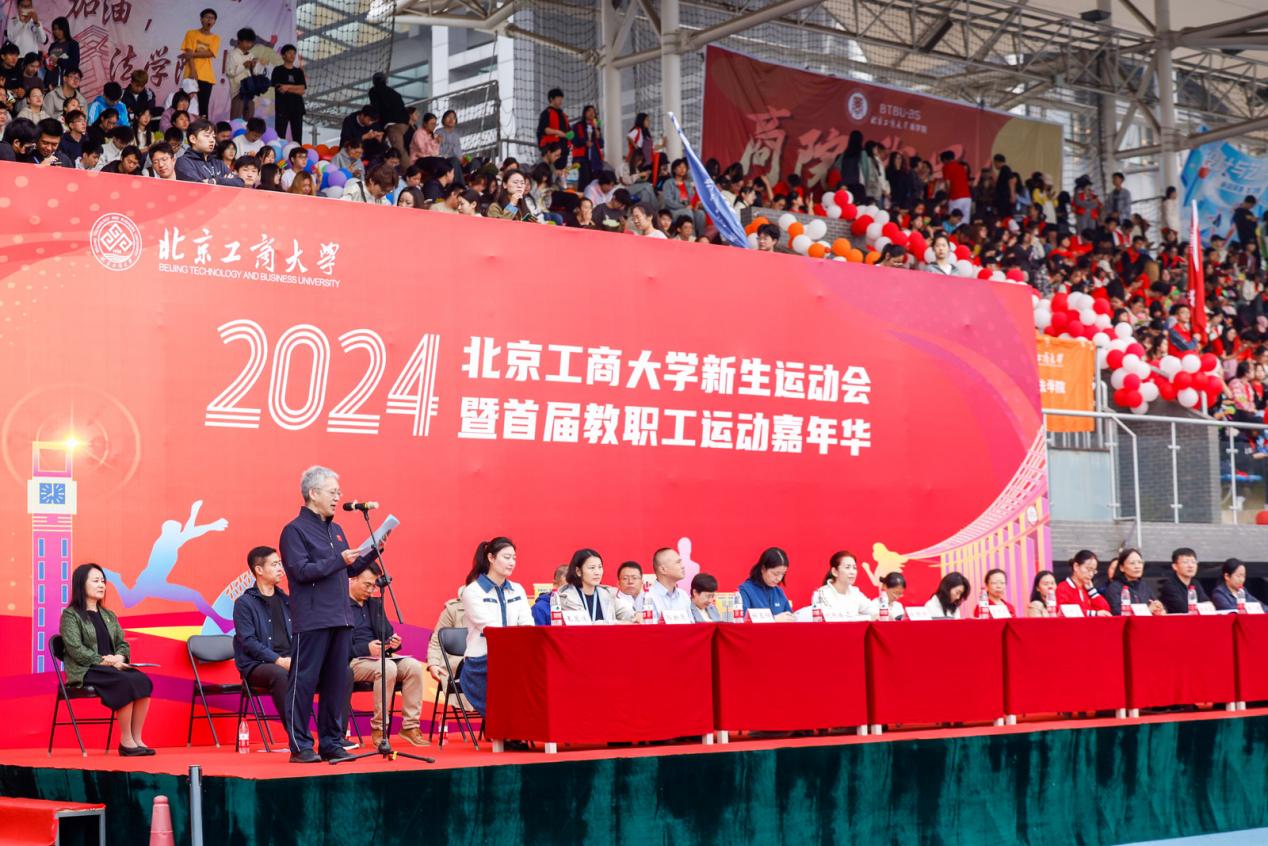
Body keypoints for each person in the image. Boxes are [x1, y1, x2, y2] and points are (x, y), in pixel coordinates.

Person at [277, 465, 377, 764]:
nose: (338, 497)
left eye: (338, 492)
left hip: (341, 617)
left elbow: (349, 569)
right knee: (304, 682)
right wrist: (338, 560)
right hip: (313, 618)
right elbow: (300, 571)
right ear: (313, 493)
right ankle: (300, 745)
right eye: (333, 492)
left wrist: (374, 550)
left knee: (337, 682)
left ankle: (331, 742)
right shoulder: (294, 531)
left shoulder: (336, 530)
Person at [59, 563, 154, 756]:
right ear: (81, 584)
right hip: (87, 669)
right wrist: (105, 660)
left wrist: (119, 656)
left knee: (142, 680)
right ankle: (126, 741)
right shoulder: (70, 615)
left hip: (111, 667)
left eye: (103, 581)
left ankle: (137, 739)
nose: (101, 585)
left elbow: (122, 643)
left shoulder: (109, 615)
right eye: (96, 581)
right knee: (125, 681)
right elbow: (76, 650)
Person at [347, 568, 429, 748]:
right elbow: (334, 646)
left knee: (413, 665)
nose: (371, 590)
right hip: (352, 661)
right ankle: (379, 729)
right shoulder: (339, 606)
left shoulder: (374, 605)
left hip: (379, 658)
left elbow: (387, 633)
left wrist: (393, 642)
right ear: (353, 579)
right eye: (367, 585)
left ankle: (410, 726)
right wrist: (366, 648)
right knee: (387, 668)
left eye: (373, 586)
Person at [459, 537, 533, 716]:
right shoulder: (472, 591)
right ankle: (510, 724)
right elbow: (492, 630)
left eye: (514, 558)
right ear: (491, 558)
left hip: (513, 659)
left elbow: (528, 625)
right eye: (506, 557)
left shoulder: (518, 589)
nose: (512, 562)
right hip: (482, 662)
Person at [232, 546, 292, 733]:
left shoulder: (286, 600)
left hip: (289, 659)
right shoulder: (244, 603)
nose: (280, 569)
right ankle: (298, 738)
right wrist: (278, 660)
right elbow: (248, 641)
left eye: (280, 564)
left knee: (336, 670)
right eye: (274, 564)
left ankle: (333, 736)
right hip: (258, 664)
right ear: (259, 570)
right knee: (280, 674)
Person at [557, 548, 635, 623]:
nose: (597, 572)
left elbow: (626, 613)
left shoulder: (608, 594)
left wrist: (636, 616)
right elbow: (584, 625)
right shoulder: (567, 597)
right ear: (578, 571)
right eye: (592, 568)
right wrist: (615, 623)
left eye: (600, 567)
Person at [175, 119, 245, 185]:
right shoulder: (184, 162)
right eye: (207, 136)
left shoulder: (218, 162)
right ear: (193, 139)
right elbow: (198, 186)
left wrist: (215, 181)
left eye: (213, 137)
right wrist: (225, 181)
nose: (212, 140)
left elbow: (239, 182)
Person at [180, 9, 220, 118]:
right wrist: (193, 71)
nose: (209, 20)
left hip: (207, 76)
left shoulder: (215, 38)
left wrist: (193, 54)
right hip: (190, 73)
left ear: (214, 22)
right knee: (183, 104)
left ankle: (203, 127)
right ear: (201, 19)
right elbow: (188, 51)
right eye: (207, 17)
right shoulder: (191, 33)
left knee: (203, 107)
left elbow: (210, 53)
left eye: (212, 18)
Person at [810, 550, 872, 618]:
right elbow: (836, 619)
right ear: (835, 572)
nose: (852, 572)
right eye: (847, 567)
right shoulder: (822, 594)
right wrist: (867, 618)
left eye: (854, 568)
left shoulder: (855, 592)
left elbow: (873, 610)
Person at [737, 547, 794, 620]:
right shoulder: (746, 590)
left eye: (783, 574)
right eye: (775, 574)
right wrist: (774, 619)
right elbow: (742, 620)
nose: (779, 579)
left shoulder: (779, 592)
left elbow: (789, 617)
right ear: (763, 569)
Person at [1105, 548, 1165, 616]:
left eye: (1140, 562)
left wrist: (1159, 608)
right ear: (1122, 568)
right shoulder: (1114, 588)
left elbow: (1154, 603)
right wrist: (1148, 610)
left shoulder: (1144, 586)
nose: (1137, 566)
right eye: (1132, 563)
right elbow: (1118, 612)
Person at [1055, 550, 1111, 616]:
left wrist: (1092, 592)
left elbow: (1105, 610)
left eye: (1093, 571)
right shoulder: (1063, 587)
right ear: (1076, 566)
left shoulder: (1088, 589)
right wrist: (1094, 613)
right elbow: (1066, 611)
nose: (1091, 574)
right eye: (1088, 569)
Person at [1156, 547, 1210, 614]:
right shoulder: (1169, 586)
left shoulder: (1195, 583)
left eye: (1193, 562)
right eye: (1185, 562)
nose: (1190, 566)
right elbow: (1183, 609)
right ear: (1175, 566)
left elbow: (1207, 604)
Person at [271, 44, 306, 142]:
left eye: (294, 53)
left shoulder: (298, 72)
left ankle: (298, 151)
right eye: (289, 53)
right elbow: (280, 88)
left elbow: (302, 90)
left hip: (297, 108)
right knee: (280, 135)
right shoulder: (278, 70)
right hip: (282, 108)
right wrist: (295, 88)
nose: (292, 55)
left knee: (297, 137)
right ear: (283, 55)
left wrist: (287, 87)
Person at [647, 547, 693, 620]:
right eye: (678, 562)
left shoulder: (683, 596)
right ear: (663, 569)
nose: (683, 566)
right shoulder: (647, 596)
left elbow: (691, 625)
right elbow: (648, 626)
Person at [536, 87, 570, 157]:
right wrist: (558, 132)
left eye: (561, 99)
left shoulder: (563, 115)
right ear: (551, 99)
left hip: (564, 149)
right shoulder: (546, 113)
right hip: (551, 148)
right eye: (558, 99)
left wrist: (569, 135)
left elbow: (570, 132)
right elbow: (544, 129)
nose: (561, 102)